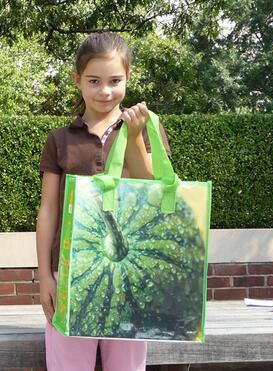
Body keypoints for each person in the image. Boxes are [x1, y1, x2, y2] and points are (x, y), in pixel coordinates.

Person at [36, 32, 171, 371]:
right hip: (70, 269)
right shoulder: (60, 140)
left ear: (129, 78)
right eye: (94, 81)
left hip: (130, 269)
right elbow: (49, 209)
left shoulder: (143, 126)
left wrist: (136, 137)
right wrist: (45, 277)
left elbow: (151, 191)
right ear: (77, 80)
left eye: (115, 81)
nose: (105, 91)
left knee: (126, 366)